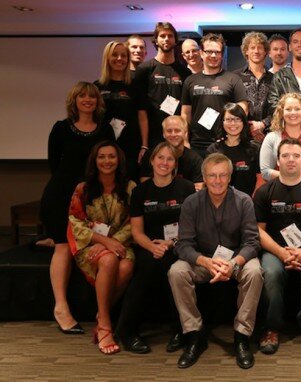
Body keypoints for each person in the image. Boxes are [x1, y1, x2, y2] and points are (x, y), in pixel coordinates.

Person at [168, 153, 263, 369]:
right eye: (212, 176)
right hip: (203, 260)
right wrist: (205, 262)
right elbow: (183, 244)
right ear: (204, 178)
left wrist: (233, 263)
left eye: (222, 175)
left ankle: (242, 336)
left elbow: (252, 242)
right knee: (177, 272)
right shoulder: (191, 203)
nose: (217, 181)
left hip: (235, 260)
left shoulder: (244, 200)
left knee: (255, 271)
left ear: (230, 177)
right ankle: (194, 334)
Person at [40, 81, 114, 336]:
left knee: (89, 247)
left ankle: (101, 311)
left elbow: (109, 163)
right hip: (60, 195)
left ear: (97, 101)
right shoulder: (60, 129)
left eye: (92, 96)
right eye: (82, 96)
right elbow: (54, 164)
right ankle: (61, 308)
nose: (87, 100)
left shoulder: (105, 130)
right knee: (62, 247)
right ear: (74, 100)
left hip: (91, 197)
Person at [254, 138, 301, 355]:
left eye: (296, 156)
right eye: (285, 156)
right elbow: (258, 230)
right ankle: (271, 328)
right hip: (274, 249)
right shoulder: (264, 192)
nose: (291, 160)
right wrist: (280, 252)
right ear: (277, 161)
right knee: (269, 272)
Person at [116, 142, 196, 354]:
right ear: (151, 161)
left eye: (170, 159)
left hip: (179, 244)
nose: (164, 163)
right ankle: (127, 331)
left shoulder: (186, 188)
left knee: (174, 270)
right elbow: (136, 231)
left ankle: (181, 331)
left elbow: (192, 226)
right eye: (160, 158)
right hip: (148, 247)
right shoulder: (141, 191)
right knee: (147, 269)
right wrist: (153, 247)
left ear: (175, 164)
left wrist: (171, 243)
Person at [67, 141, 136, 355]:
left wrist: (114, 242)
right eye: (102, 157)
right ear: (95, 161)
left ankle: (99, 316)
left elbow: (135, 223)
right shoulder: (83, 188)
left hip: (123, 243)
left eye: (111, 156)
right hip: (91, 246)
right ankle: (105, 325)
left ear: (119, 160)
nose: (107, 161)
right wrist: (104, 242)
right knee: (108, 259)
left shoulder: (130, 187)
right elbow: (74, 222)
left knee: (125, 267)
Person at [181, 33, 248, 155]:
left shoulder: (233, 79)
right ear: (201, 53)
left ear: (222, 55)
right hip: (197, 145)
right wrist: (185, 141)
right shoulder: (190, 81)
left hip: (225, 144)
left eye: (217, 52)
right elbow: (185, 114)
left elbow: (243, 109)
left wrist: (231, 132)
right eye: (209, 51)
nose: (213, 55)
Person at [134, 22, 191, 148]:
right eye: (162, 36)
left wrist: (185, 139)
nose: (166, 39)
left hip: (177, 134)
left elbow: (186, 109)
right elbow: (141, 109)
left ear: (175, 40)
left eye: (170, 36)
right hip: (153, 135)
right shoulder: (144, 69)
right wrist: (144, 143)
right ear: (156, 40)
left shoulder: (185, 72)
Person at [96, 41, 142, 180]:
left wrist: (144, 145)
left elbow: (142, 117)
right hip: (104, 144)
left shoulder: (135, 86)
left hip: (131, 145)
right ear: (107, 58)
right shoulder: (97, 87)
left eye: (123, 55)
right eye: (115, 55)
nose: (119, 59)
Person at [260, 93, 301, 188]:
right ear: (282, 112)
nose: (293, 112)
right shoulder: (271, 138)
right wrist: (294, 179)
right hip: (278, 191)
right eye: (288, 109)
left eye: (297, 109)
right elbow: (265, 172)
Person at [207, 103, 260, 196]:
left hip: (248, 203)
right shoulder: (213, 150)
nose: (233, 123)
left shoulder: (254, 148)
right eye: (228, 119)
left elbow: (260, 178)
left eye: (237, 119)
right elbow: (209, 180)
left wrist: (252, 201)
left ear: (243, 121)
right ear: (222, 122)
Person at [139, 115, 204, 191]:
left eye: (177, 130)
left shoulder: (195, 159)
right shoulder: (151, 155)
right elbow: (144, 187)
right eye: (169, 131)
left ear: (185, 133)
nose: (173, 134)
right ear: (163, 134)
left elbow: (198, 190)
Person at [233, 31, 273, 142]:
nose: (256, 51)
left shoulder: (275, 79)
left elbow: (279, 108)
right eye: (252, 47)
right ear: (246, 51)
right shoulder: (235, 77)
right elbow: (231, 107)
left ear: (265, 52)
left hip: (268, 136)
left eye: (260, 48)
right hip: (239, 136)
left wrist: (262, 124)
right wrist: (249, 128)